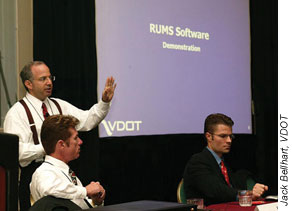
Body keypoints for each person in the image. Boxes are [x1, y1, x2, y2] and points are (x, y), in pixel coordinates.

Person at [3, 61, 116, 211]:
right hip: (33, 173)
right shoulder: (17, 113)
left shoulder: (58, 105)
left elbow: (87, 120)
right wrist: (50, 147)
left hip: (62, 168)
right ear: (28, 84)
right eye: (43, 79)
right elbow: (16, 152)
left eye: (50, 78)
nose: (49, 82)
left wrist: (104, 103)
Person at [183, 113, 268, 206]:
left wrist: (254, 190)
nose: (229, 141)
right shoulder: (198, 162)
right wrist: (247, 194)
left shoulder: (224, 163)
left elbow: (233, 188)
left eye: (230, 136)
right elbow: (216, 190)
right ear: (208, 136)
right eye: (223, 136)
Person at [30, 115, 106, 209]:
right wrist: (85, 191)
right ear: (61, 144)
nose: (80, 142)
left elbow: (75, 204)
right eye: (75, 138)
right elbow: (50, 190)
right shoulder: (44, 172)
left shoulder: (65, 172)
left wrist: (95, 202)